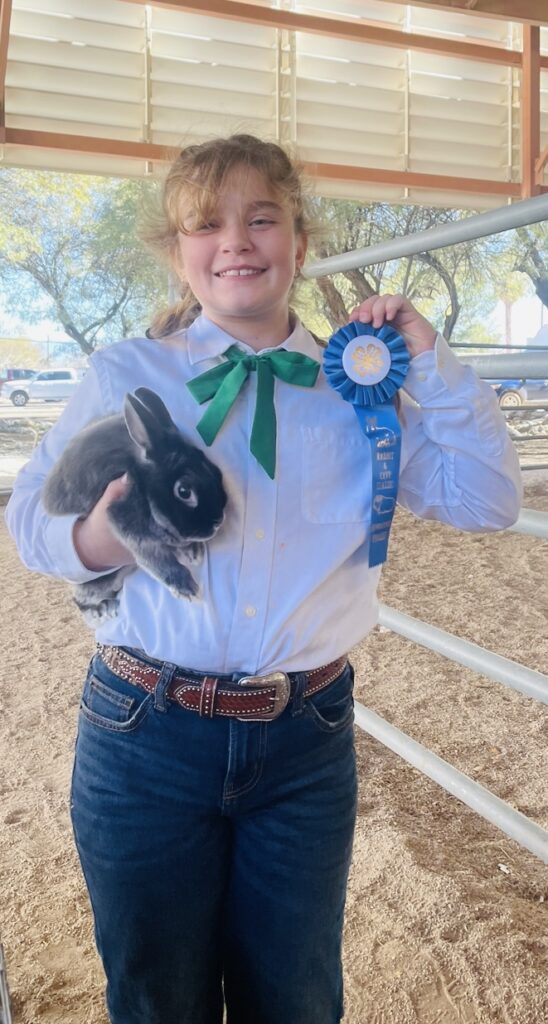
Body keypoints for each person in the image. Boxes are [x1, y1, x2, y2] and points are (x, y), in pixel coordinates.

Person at [5, 134, 522, 1024]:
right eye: (206, 224)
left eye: (261, 218)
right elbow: (32, 533)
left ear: (300, 241)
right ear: (178, 252)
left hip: (303, 742)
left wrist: (427, 358)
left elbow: (488, 499)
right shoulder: (128, 373)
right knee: (156, 993)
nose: (235, 241)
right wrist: (119, 527)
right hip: (143, 732)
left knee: (296, 995)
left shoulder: (357, 389)